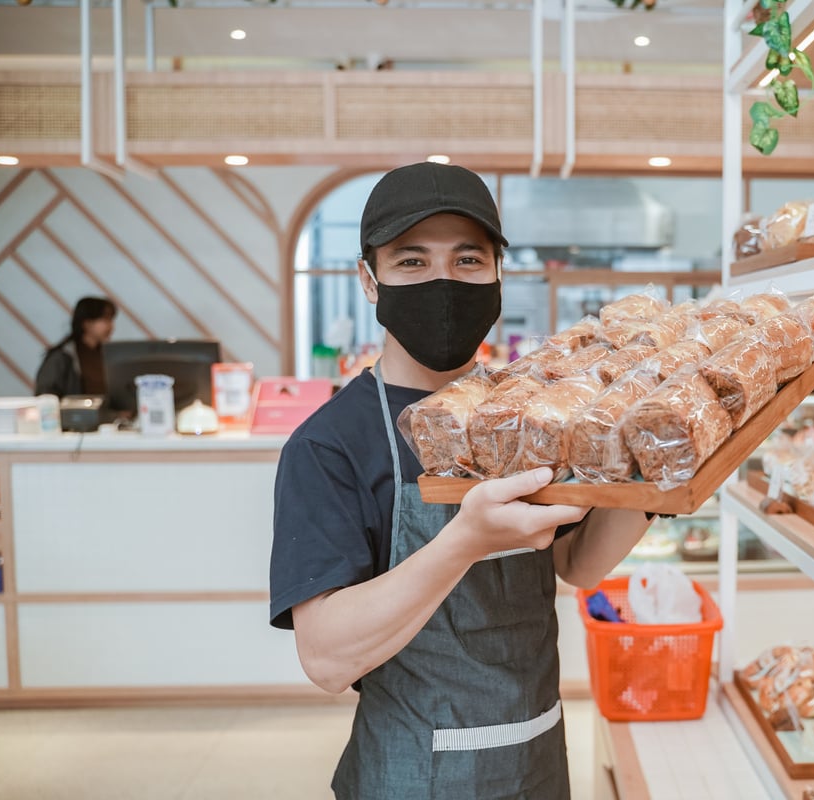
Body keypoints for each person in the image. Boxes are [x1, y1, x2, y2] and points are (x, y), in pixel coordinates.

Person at [269, 162, 654, 799]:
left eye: (468, 260)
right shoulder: (330, 444)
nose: (444, 281)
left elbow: (579, 565)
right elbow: (327, 659)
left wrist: (654, 480)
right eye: (412, 261)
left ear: (499, 275)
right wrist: (463, 540)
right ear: (370, 281)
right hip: (413, 774)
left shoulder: (531, 416)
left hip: (538, 761)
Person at [34, 296, 117, 398]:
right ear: (87, 323)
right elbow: (45, 394)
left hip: (107, 414)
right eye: (105, 320)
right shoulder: (62, 356)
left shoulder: (107, 354)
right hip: (75, 413)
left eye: (111, 320)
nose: (111, 326)